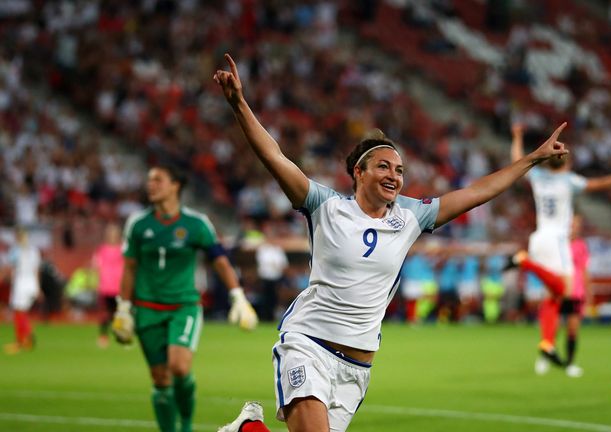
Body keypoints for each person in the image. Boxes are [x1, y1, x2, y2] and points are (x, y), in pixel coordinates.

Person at [213, 53, 568, 432]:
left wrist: (531, 159)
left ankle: (248, 428)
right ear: (358, 172)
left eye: (399, 170)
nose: (394, 176)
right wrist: (239, 104)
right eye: (383, 166)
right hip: (309, 344)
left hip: (356, 368)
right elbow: (274, 156)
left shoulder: (411, 217)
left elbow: (478, 191)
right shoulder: (325, 206)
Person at [111, 164, 258, 432]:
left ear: (175, 185)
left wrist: (238, 297)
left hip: (184, 307)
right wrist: (123, 308)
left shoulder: (196, 224)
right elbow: (130, 267)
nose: (151, 184)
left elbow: (220, 261)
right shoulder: (138, 224)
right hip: (146, 309)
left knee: (178, 367)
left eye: (158, 179)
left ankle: (187, 425)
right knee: (160, 379)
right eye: (149, 180)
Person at [508, 122, 611, 375]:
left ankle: (547, 342)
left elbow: (517, 161)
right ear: (565, 162)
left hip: (538, 237)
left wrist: (516, 137)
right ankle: (524, 262)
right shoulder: (568, 180)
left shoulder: (537, 176)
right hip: (557, 239)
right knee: (566, 290)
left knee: (552, 297)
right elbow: (601, 184)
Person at [3, 227, 41, 355]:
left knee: (19, 313)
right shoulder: (34, 251)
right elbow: (36, 270)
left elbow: (10, 267)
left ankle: (23, 339)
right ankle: (25, 339)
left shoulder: (16, 250)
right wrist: (37, 287)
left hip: (21, 283)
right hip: (31, 283)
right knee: (23, 312)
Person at [561, 214, 591, 375]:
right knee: (551, 327)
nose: (574, 227)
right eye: (572, 224)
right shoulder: (558, 243)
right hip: (558, 291)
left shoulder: (581, 246)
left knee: (572, 329)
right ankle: (544, 357)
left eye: (577, 224)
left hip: (575, 292)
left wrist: (588, 292)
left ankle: (570, 363)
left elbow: (585, 270)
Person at [93, 223, 124, 348]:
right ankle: (103, 336)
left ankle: (120, 335)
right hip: (106, 285)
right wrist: (97, 282)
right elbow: (97, 266)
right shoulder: (102, 250)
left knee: (119, 313)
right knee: (105, 313)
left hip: (118, 285)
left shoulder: (122, 249)